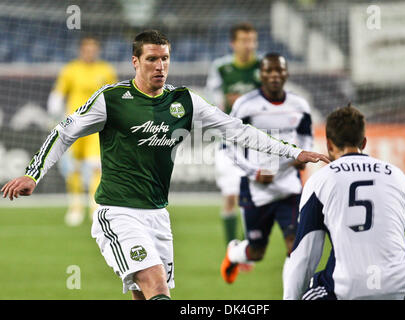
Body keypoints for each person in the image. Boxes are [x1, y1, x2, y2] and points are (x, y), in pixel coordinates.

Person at [1, 30, 329, 300]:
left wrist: (293, 152)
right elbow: (64, 132)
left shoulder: (183, 101)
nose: (160, 66)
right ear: (135, 62)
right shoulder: (111, 99)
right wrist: (33, 174)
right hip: (118, 212)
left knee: (145, 295)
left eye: (165, 59)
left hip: (158, 216)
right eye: (152, 59)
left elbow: (238, 130)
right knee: (157, 287)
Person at [283, 105, 405, 300]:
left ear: (329, 144)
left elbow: (305, 255)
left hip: (347, 287)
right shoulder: (396, 175)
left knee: (311, 290)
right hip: (398, 284)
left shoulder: (320, 181)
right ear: (363, 142)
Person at [220, 53, 313, 285]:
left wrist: (303, 155)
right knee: (256, 253)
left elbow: (306, 137)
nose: (274, 76)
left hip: (289, 188)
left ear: (286, 73)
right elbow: (227, 144)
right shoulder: (246, 105)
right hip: (255, 189)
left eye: (279, 70)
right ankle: (233, 253)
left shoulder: (299, 105)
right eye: (269, 71)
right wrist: (253, 172)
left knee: (296, 247)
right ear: (261, 75)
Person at [47, 35, 117, 226]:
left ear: (98, 51)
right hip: (75, 125)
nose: (90, 52)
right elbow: (59, 93)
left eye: (93, 49)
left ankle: (96, 207)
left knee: (97, 167)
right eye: (87, 49)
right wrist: (55, 114)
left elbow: (114, 96)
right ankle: (75, 207)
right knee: (74, 168)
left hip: (97, 127)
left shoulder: (106, 70)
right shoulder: (71, 69)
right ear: (81, 50)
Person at [206, 22, 261, 248]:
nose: (249, 45)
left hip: (259, 142)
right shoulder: (221, 68)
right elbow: (214, 102)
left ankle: (250, 245)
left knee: (253, 198)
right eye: (244, 41)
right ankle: (232, 248)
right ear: (233, 43)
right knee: (230, 196)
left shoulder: (265, 66)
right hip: (228, 142)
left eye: (252, 41)